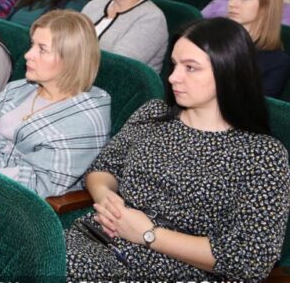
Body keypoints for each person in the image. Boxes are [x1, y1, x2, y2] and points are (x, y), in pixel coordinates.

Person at [65, 18, 290, 282]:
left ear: (228, 72)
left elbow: (250, 258)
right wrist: (106, 197)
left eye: (190, 68)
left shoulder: (262, 155)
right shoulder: (153, 113)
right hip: (97, 238)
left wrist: (149, 234)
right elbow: (103, 168)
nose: (172, 77)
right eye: (174, 64)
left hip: (169, 268)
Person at [0, 10, 111, 198]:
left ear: (71, 59)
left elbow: (40, 185)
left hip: (12, 201)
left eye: (42, 49)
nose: (28, 55)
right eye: (32, 45)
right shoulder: (17, 89)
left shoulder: (84, 119)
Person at [227, 0, 290, 97]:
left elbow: (255, 106)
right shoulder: (214, 40)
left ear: (267, 5)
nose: (232, 4)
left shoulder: (277, 62)